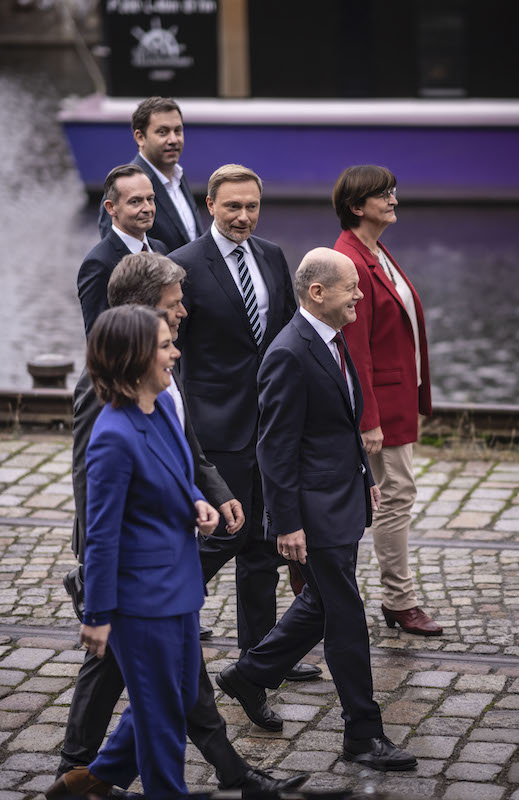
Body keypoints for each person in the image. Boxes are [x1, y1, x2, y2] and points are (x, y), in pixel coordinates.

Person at [59, 253, 307, 795]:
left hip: (170, 567)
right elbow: (94, 489)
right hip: (129, 568)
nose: (184, 314)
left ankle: (90, 778)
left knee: (167, 690)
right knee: (143, 691)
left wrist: (206, 496)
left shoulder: (161, 377)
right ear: (145, 317)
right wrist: (99, 584)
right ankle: (80, 770)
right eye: (173, 308)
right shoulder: (105, 400)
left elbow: (180, 447)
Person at [216, 248, 417, 772]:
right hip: (314, 509)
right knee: (345, 613)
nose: (359, 295)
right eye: (351, 287)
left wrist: (366, 478)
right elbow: (274, 446)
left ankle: (250, 673)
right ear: (317, 292)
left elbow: (342, 422)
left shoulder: (332, 337)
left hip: (342, 494)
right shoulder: (289, 352)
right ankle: (362, 733)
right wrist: (287, 523)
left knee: (322, 604)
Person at [46, 305, 220, 799]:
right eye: (165, 346)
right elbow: (101, 535)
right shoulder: (112, 437)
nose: (175, 352)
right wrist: (97, 615)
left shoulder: (161, 404)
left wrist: (198, 501)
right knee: (162, 719)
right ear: (135, 357)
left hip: (179, 583)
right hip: (139, 601)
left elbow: (177, 471)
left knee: (179, 696)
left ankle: (94, 778)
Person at [171, 164, 321, 681]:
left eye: (251, 206)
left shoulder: (274, 257)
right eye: (232, 206)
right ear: (209, 205)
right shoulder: (183, 265)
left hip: (271, 425)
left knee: (263, 545)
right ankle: (152, 602)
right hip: (216, 429)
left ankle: (260, 661)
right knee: (227, 535)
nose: (243, 216)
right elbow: (171, 354)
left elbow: (284, 337)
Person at [332, 165, 442, 636]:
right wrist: (367, 419)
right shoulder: (349, 261)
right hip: (380, 407)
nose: (394, 199)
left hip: (396, 397)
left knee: (390, 495)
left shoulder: (375, 251)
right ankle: (399, 600)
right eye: (384, 193)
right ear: (358, 206)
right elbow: (353, 350)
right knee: (395, 496)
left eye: (394, 190)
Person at [98, 96, 203, 251]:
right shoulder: (123, 186)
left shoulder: (179, 176)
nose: (173, 139)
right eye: (163, 132)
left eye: (178, 131)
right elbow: (115, 255)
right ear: (140, 137)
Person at [78, 164, 167, 336]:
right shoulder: (98, 263)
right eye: (135, 201)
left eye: (150, 199)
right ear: (111, 208)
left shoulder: (160, 248)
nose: (147, 208)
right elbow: (99, 338)